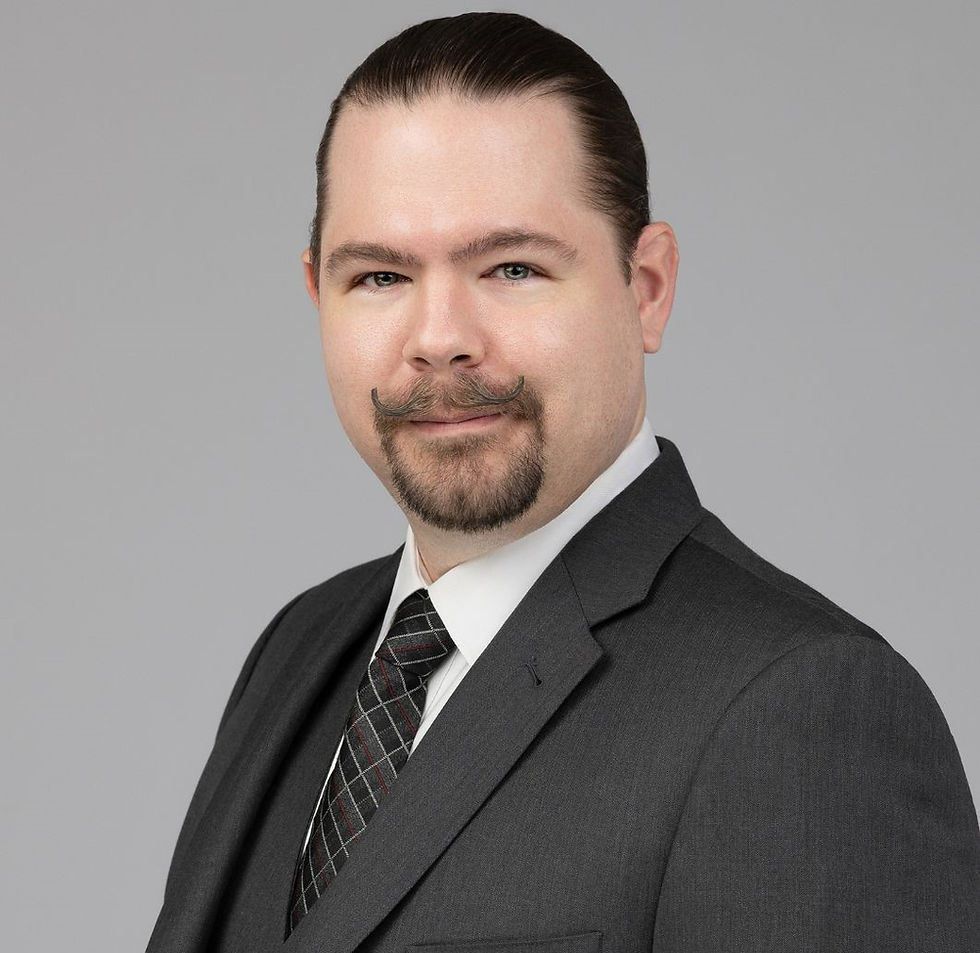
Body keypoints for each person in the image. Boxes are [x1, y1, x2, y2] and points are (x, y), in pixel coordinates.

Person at [146, 12, 979, 953]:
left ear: (648, 287)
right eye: (379, 276)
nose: (438, 336)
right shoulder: (297, 652)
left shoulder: (802, 715)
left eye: (511, 267)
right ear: (317, 296)